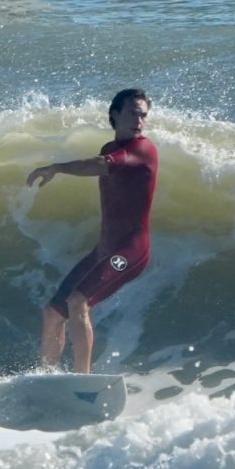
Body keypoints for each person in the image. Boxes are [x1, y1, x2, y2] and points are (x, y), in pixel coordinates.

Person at [26, 88, 159, 373]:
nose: (139, 120)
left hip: (130, 251)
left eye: (143, 115)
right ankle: (46, 376)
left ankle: (82, 380)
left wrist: (57, 167)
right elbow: (105, 162)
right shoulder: (110, 148)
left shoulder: (143, 149)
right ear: (115, 114)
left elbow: (101, 165)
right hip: (104, 250)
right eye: (133, 113)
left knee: (78, 301)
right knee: (52, 312)